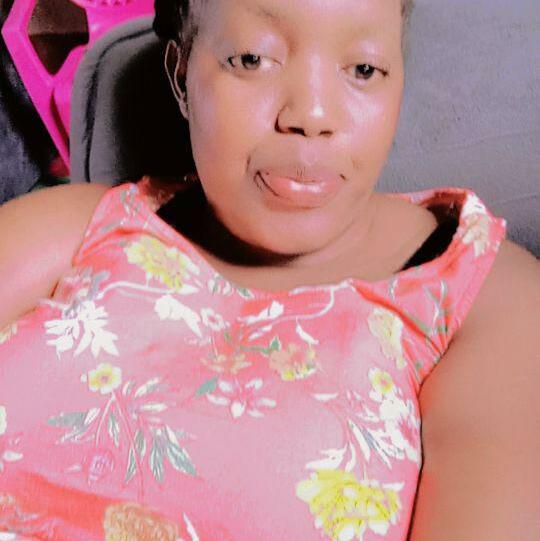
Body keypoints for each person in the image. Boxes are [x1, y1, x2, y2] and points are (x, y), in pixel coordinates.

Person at [0, 0, 538, 539]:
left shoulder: (479, 296)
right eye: (253, 59)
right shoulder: (75, 229)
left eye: (363, 69)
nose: (311, 115)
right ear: (181, 75)